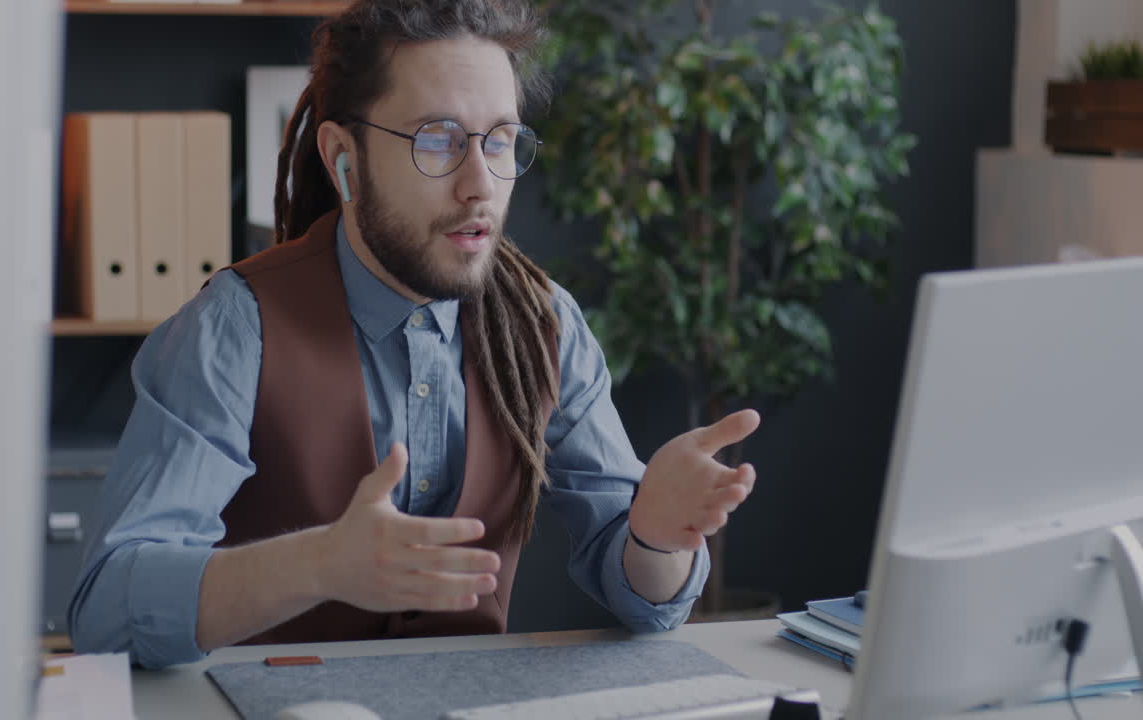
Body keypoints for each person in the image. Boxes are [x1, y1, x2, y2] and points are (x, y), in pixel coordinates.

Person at [68, 0, 760, 670]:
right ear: (344, 158)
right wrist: (318, 564)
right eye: (437, 140)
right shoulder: (231, 328)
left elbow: (645, 599)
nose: (480, 185)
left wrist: (658, 536)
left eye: (500, 142)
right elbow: (107, 607)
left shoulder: (547, 324)